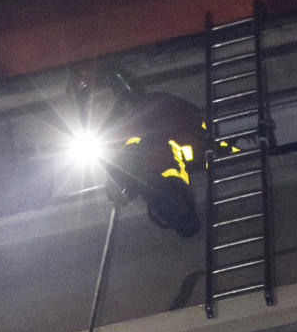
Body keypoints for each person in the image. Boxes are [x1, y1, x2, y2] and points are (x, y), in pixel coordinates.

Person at [68, 65, 207, 237]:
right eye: (89, 105)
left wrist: (122, 177)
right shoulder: (105, 141)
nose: (96, 109)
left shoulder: (153, 107)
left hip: (164, 167)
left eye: (102, 99)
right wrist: (120, 180)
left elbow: (176, 129)